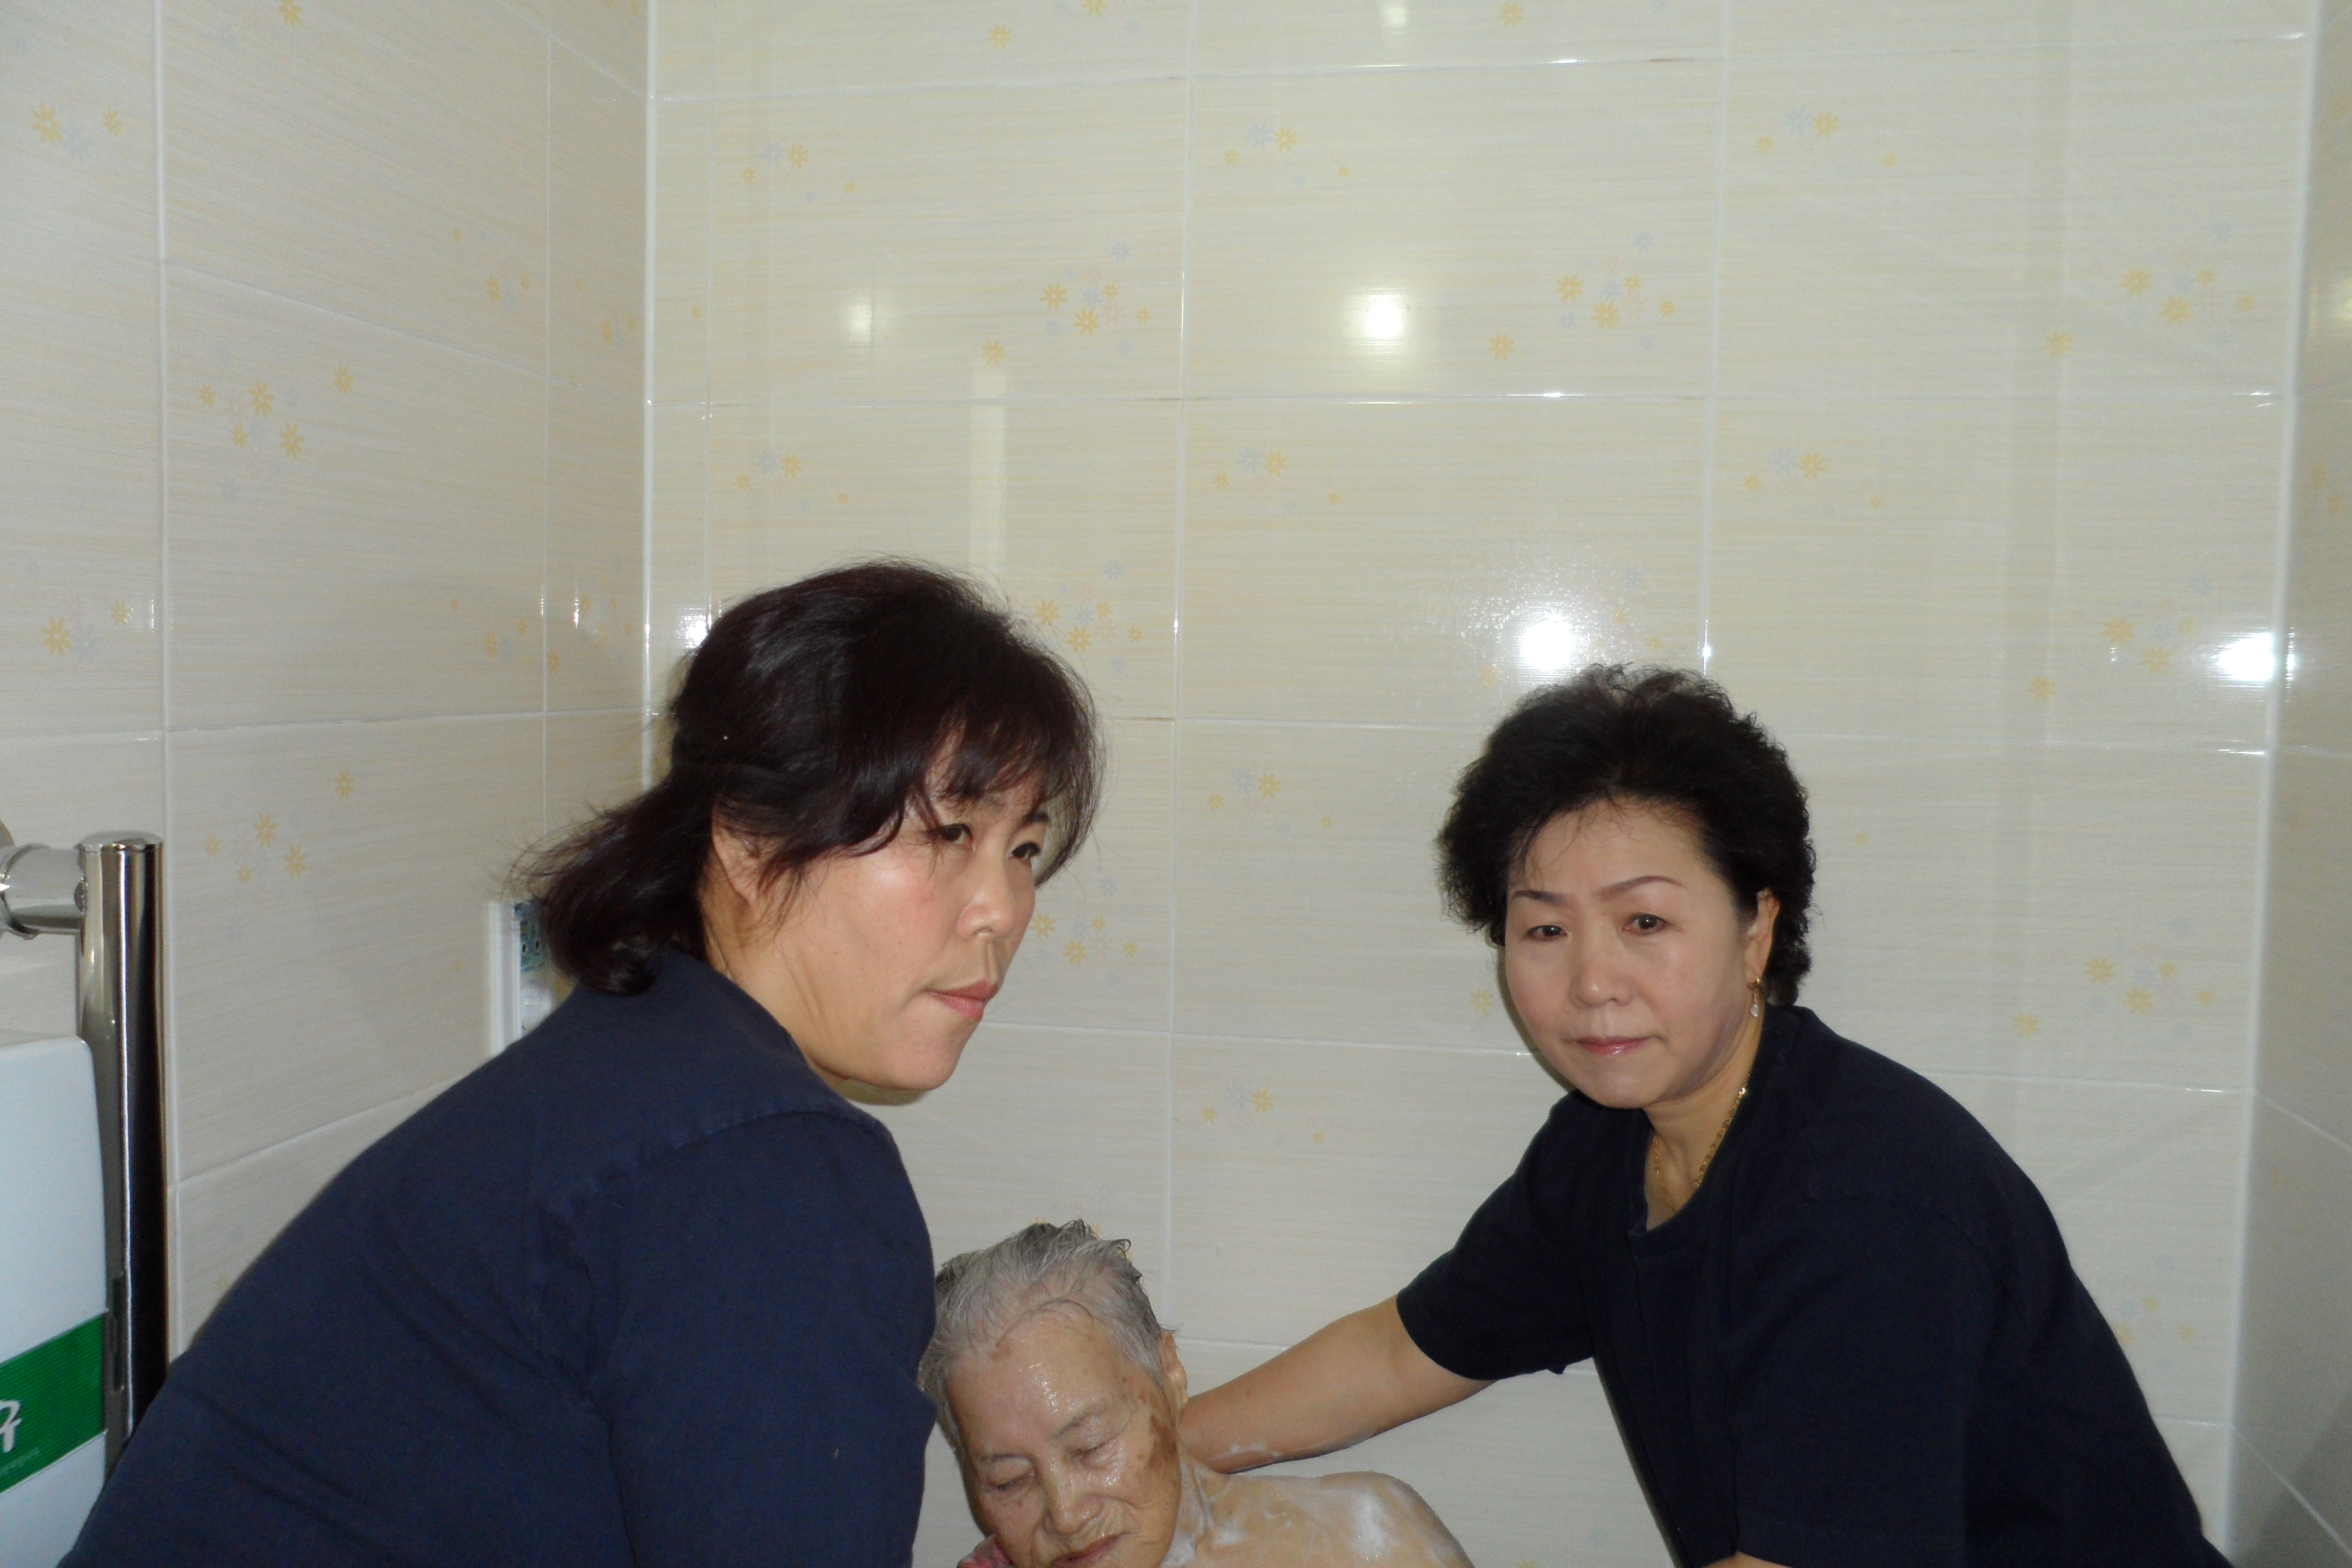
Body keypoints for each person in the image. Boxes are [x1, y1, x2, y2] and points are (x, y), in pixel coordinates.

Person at [66, 561, 1101, 1567]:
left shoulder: (644, 1058)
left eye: (1022, 849)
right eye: (948, 833)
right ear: (748, 842)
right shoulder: (762, 1170)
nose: (1002, 911)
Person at [1180, 666, 2225, 1568]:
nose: (1593, 983)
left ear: (1756, 929)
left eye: (1644, 920)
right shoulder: (1610, 1143)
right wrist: (1138, 1461)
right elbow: (1401, 1353)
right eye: (1543, 930)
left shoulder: (1861, 1201)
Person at [925, 1222, 1472, 1568]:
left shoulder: (1371, 1542)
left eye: (1091, 1447)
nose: (1066, 1517)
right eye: (1008, 1481)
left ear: (1170, 1375)